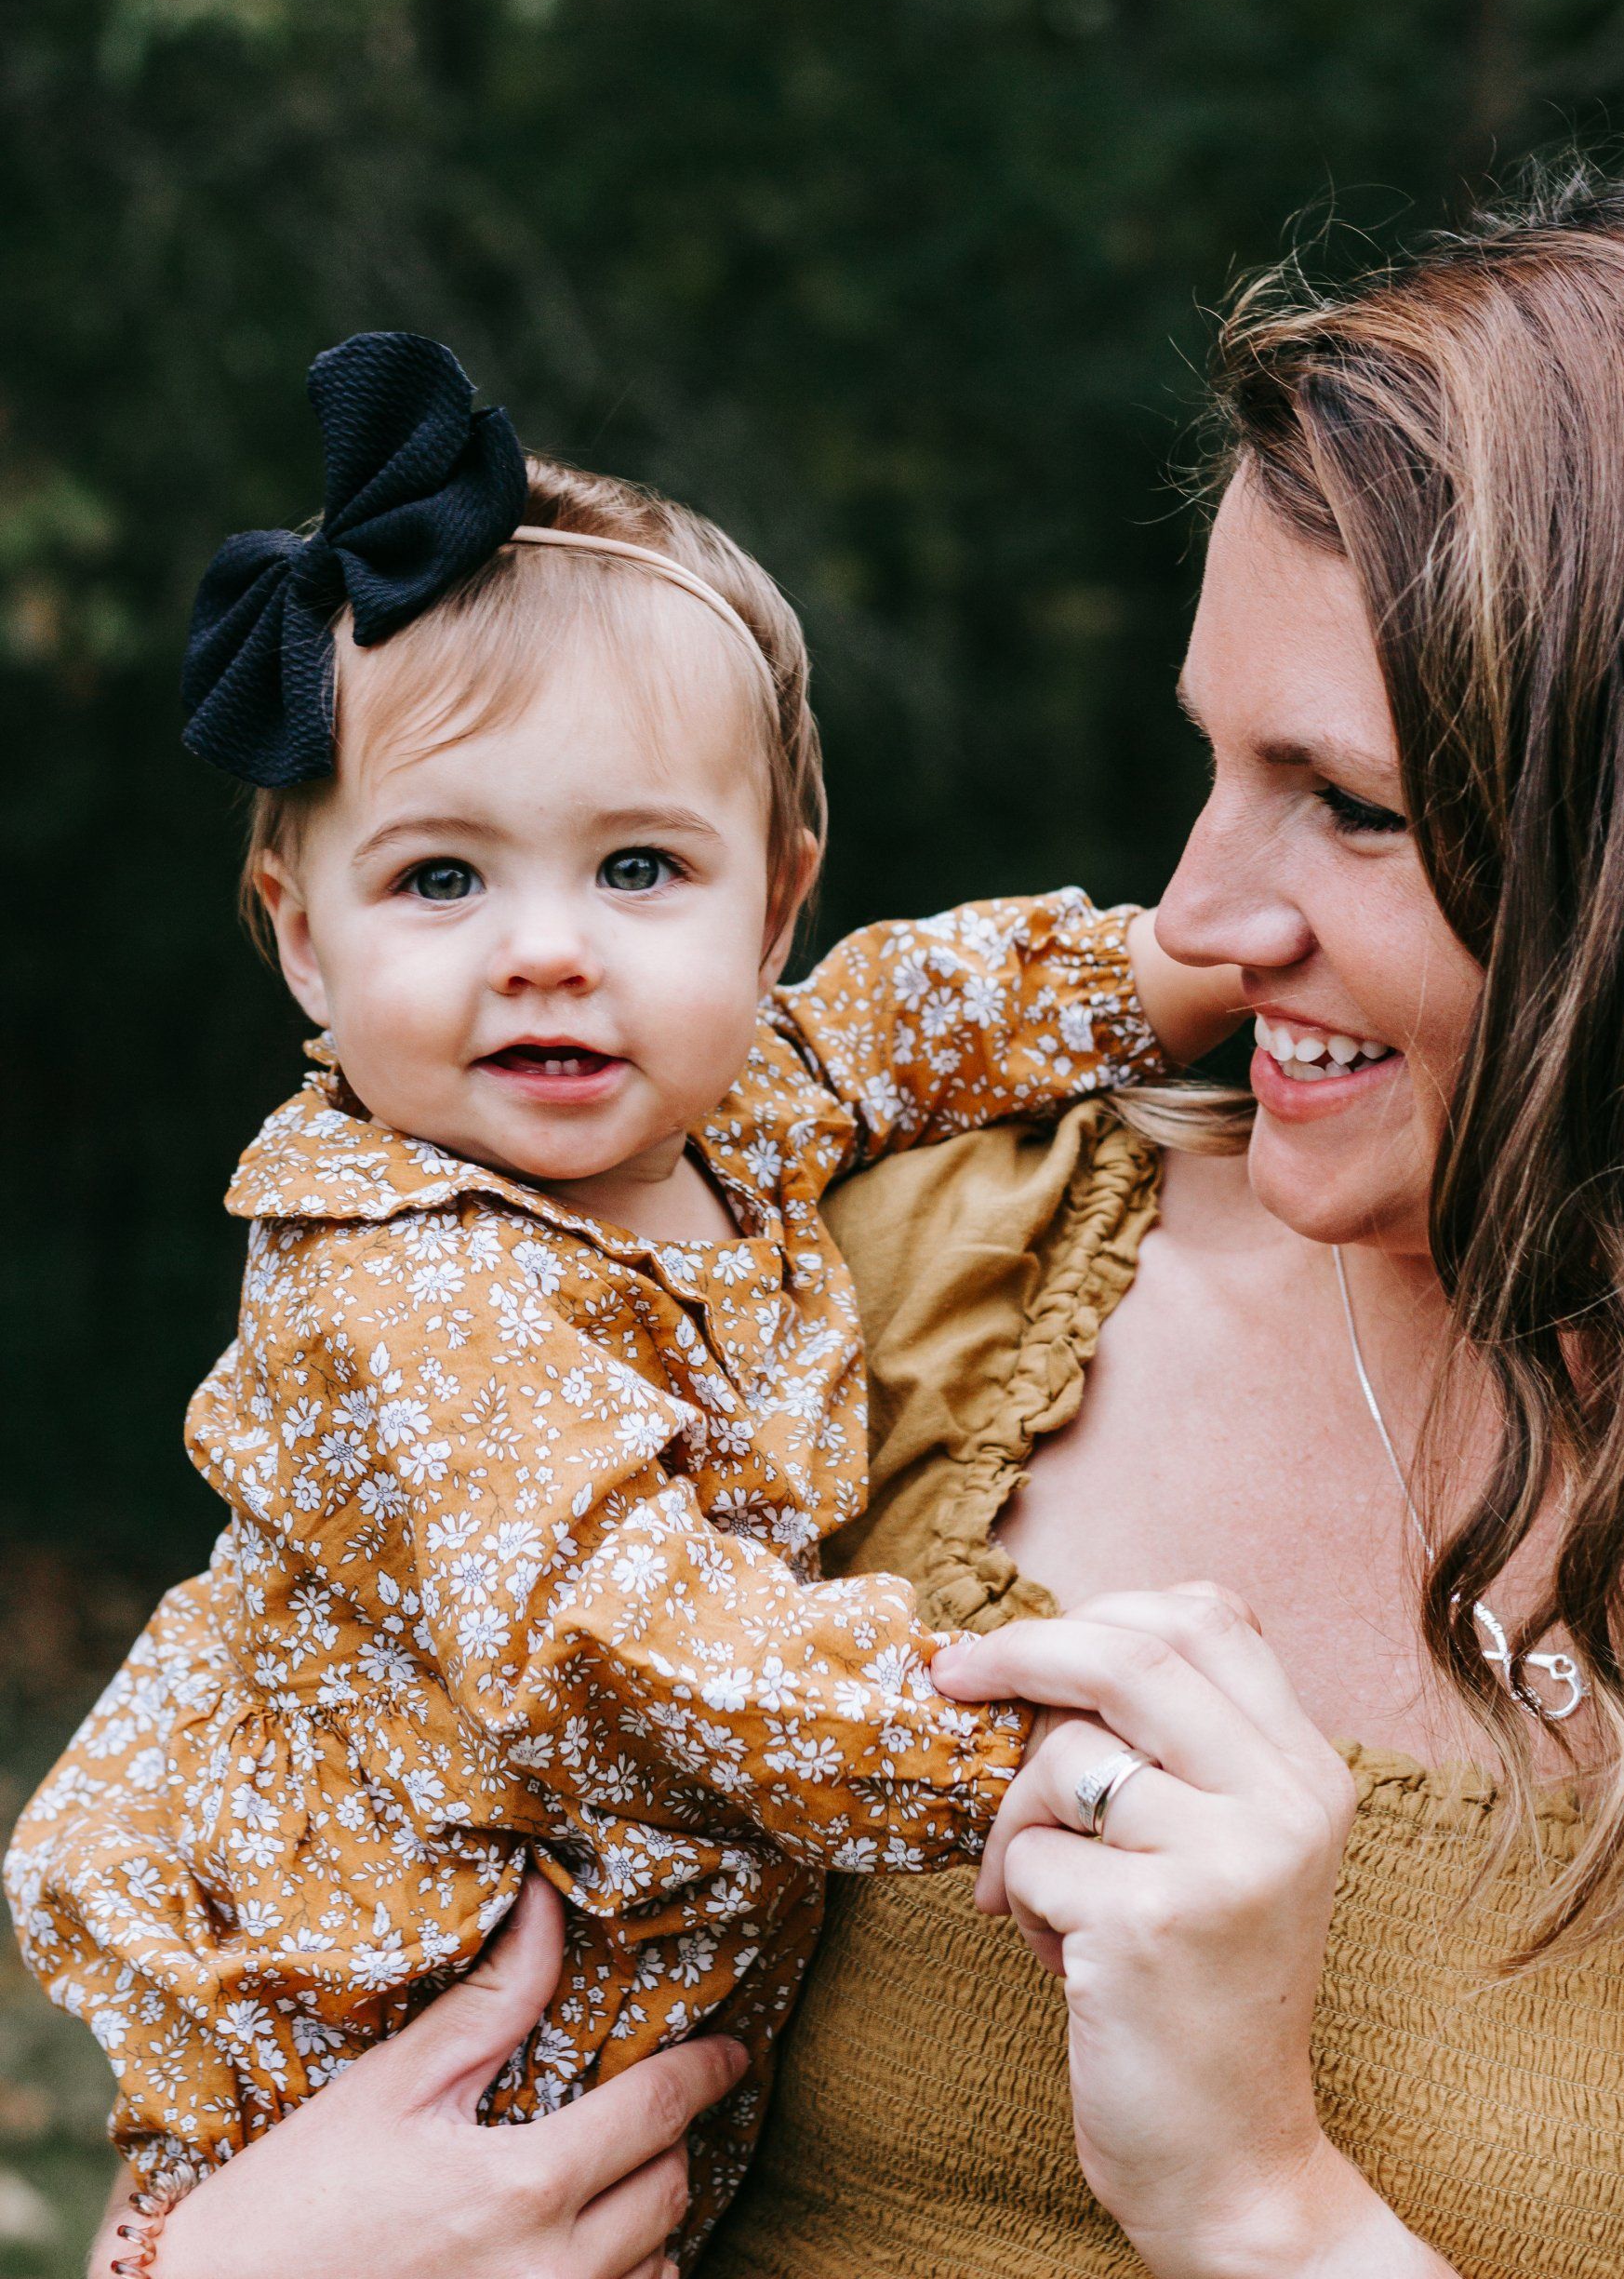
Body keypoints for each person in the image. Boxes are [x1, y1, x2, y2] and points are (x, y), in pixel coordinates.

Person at [65, 169, 1624, 2278]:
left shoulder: (770, 1124)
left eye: (1350, 803)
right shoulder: (855, 1260)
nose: (1211, 918)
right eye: (1214, 766)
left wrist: (1262, 2203)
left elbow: (915, 1006)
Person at [3, 330, 1235, 2264]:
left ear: (770, 907)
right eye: (441, 881)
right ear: (298, 939)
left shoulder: (744, 1102)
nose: (551, 953)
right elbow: (624, 1633)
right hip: (366, 2034)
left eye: (640, 867)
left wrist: (1180, 972)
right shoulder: (406, 1279)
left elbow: (903, 1018)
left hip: (601, 2045)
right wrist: (1017, 1760)